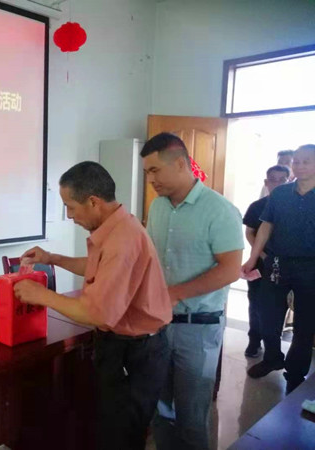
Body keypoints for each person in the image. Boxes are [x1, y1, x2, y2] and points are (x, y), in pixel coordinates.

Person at [14, 161, 172, 450]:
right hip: (122, 346)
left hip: (136, 352)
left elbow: (96, 313)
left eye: (71, 207)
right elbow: (95, 266)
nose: (69, 215)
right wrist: (51, 258)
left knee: (120, 436)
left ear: (93, 202)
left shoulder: (123, 240)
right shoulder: (116, 228)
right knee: (105, 426)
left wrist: (42, 295)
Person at [140, 133, 243, 449]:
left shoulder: (219, 210)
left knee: (192, 416)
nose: (150, 179)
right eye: (147, 172)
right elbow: (151, 258)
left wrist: (176, 293)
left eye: (155, 170)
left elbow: (230, 269)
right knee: (161, 410)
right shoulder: (158, 207)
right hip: (159, 324)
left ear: (180, 164)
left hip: (198, 328)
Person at [242, 144, 315, 394]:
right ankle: (272, 357)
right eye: (297, 161)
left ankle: (295, 373)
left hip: (310, 267)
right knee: (267, 316)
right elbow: (265, 226)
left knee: (305, 325)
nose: (300, 166)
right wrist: (253, 258)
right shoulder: (281, 194)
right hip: (276, 263)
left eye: (306, 161)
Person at [242, 165, 290, 357]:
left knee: (279, 307)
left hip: (287, 266)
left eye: (282, 180)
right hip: (261, 264)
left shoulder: (295, 206)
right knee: (256, 304)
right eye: (273, 180)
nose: (277, 184)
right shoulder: (257, 206)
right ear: (266, 182)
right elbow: (250, 233)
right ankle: (254, 341)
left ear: (289, 181)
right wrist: (261, 255)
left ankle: (273, 348)